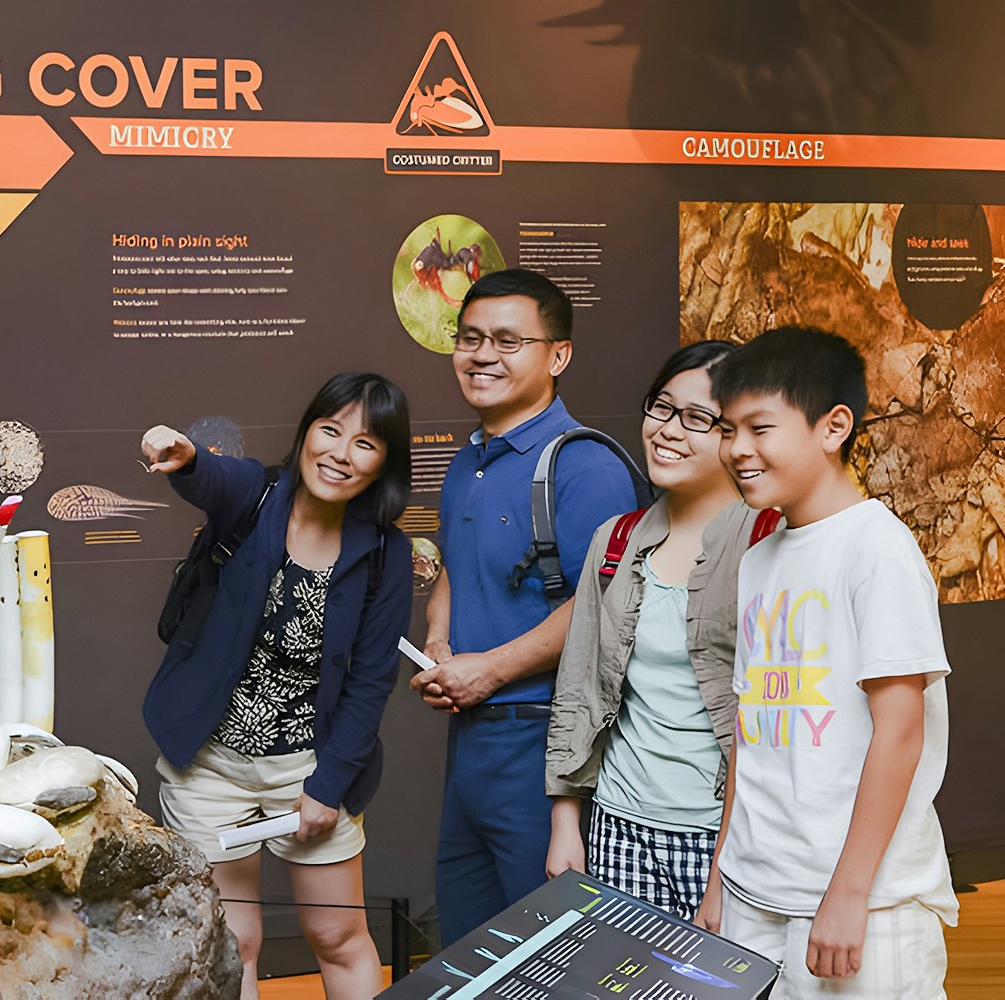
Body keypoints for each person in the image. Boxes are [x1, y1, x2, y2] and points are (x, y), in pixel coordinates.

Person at [694, 326, 956, 996]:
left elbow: (900, 732)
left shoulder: (878, 549)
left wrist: (849, 892)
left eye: (760, 427)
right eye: (728, 429)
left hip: (865, 900)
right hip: (754, 890)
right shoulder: (758, 560)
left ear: (833, 426)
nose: (738, 449)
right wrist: (721, 873)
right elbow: (751, 732)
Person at [141, 373, 414, 1000]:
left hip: (311, 767)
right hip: (208, 764)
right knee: (230, 943)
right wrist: (185, 453)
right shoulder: (257, 496)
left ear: (384, 463)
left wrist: (328, 787)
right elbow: (211, 475)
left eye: (365, 443)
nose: (340, 453)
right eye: (330, 430)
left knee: (337, 936)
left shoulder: (384, 554)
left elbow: (372, 680)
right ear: (306, 431)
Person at [410, 268, 638, 944]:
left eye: (509, 341)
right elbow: (456, 566)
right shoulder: (468, 460)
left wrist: (490, 670)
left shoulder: (586, 468)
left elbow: (604, 608)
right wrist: (441, 642)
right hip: (470, 745)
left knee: (555, 950)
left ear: (557, 355)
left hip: (545, 750)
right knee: (470, 948)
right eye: (470, 338)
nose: (483, 355)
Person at [546, 340, 769, 921]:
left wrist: (724, 868)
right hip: (618, 824)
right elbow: (578, 685)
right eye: (662, 407)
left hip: (720, 834)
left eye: (697, 418)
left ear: (736, 436)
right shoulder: (615, 540)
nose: (668, 430)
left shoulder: (768, 542)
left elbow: (774, 719)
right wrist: (566, 821)